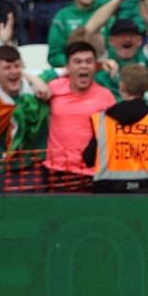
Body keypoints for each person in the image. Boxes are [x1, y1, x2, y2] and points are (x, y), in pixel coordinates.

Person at [82, 64, 148, 193]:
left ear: (121, 86)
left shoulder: (103, 120)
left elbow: (88, 159)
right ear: (147, 88)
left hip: (109, 197)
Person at [37, 40, 115, 190]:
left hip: (91, 172)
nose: (84, 66)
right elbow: (35, 83)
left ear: (95, 66)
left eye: (89, 62)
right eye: (77, 62)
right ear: (68, 66)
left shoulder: (106, 96)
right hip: (56, 170)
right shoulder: (54, 88)